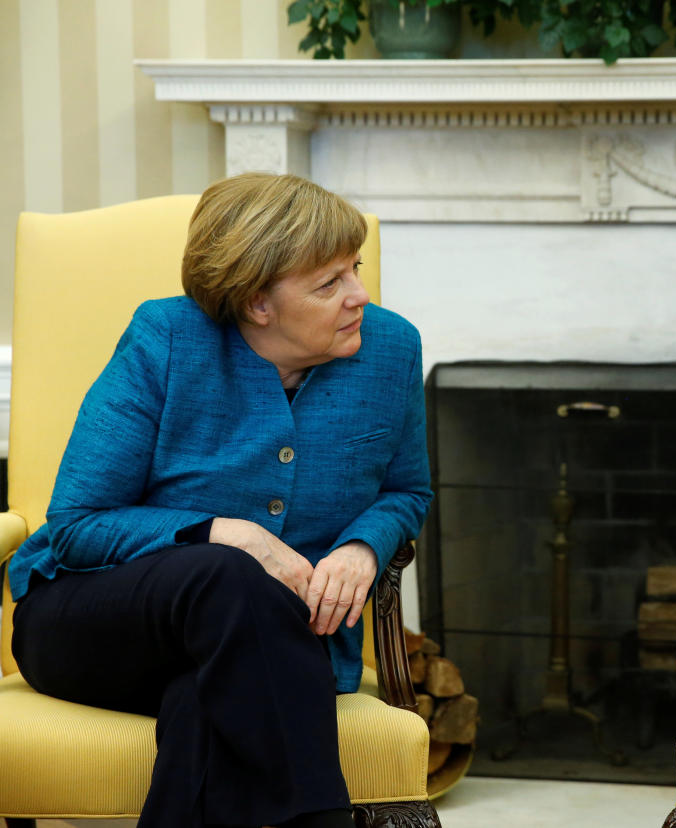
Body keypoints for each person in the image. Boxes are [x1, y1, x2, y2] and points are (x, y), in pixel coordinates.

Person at [7, 172, 434, 828]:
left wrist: (361, 545)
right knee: (227, 573)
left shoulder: (392, 350)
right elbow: (75, 527)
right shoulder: (167, 339)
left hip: (263, 644)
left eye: (355, 269)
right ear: (256, 301)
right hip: (92, 623)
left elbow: (407, 489)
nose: (360, 295)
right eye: (330, 284)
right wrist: (234, 535)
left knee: (207, 701)